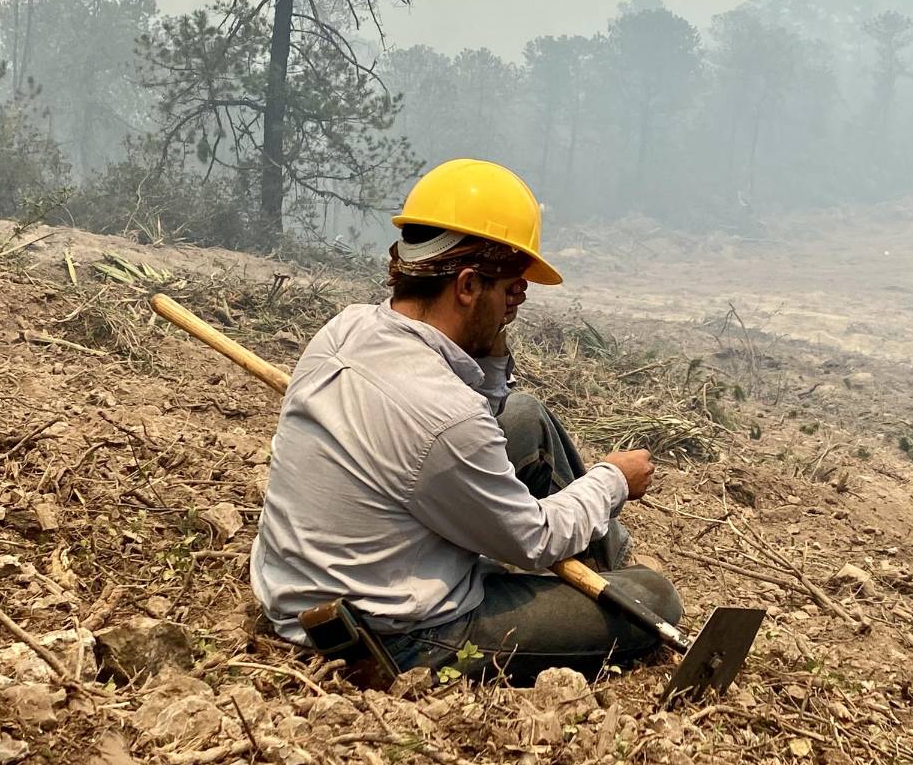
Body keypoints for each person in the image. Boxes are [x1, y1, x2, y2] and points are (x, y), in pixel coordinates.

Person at [250, 158, 682, 682]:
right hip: (393, 631)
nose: (515, 305)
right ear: (468, 285)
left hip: (307, 591)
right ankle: (619, 588)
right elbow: (533, 539)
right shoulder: (444, 420)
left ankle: (600, 571)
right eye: (511, 290)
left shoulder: (346, 329)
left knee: (526, 416)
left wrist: (492, 342)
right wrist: (612, 481)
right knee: (655, 599)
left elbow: (481, 415)